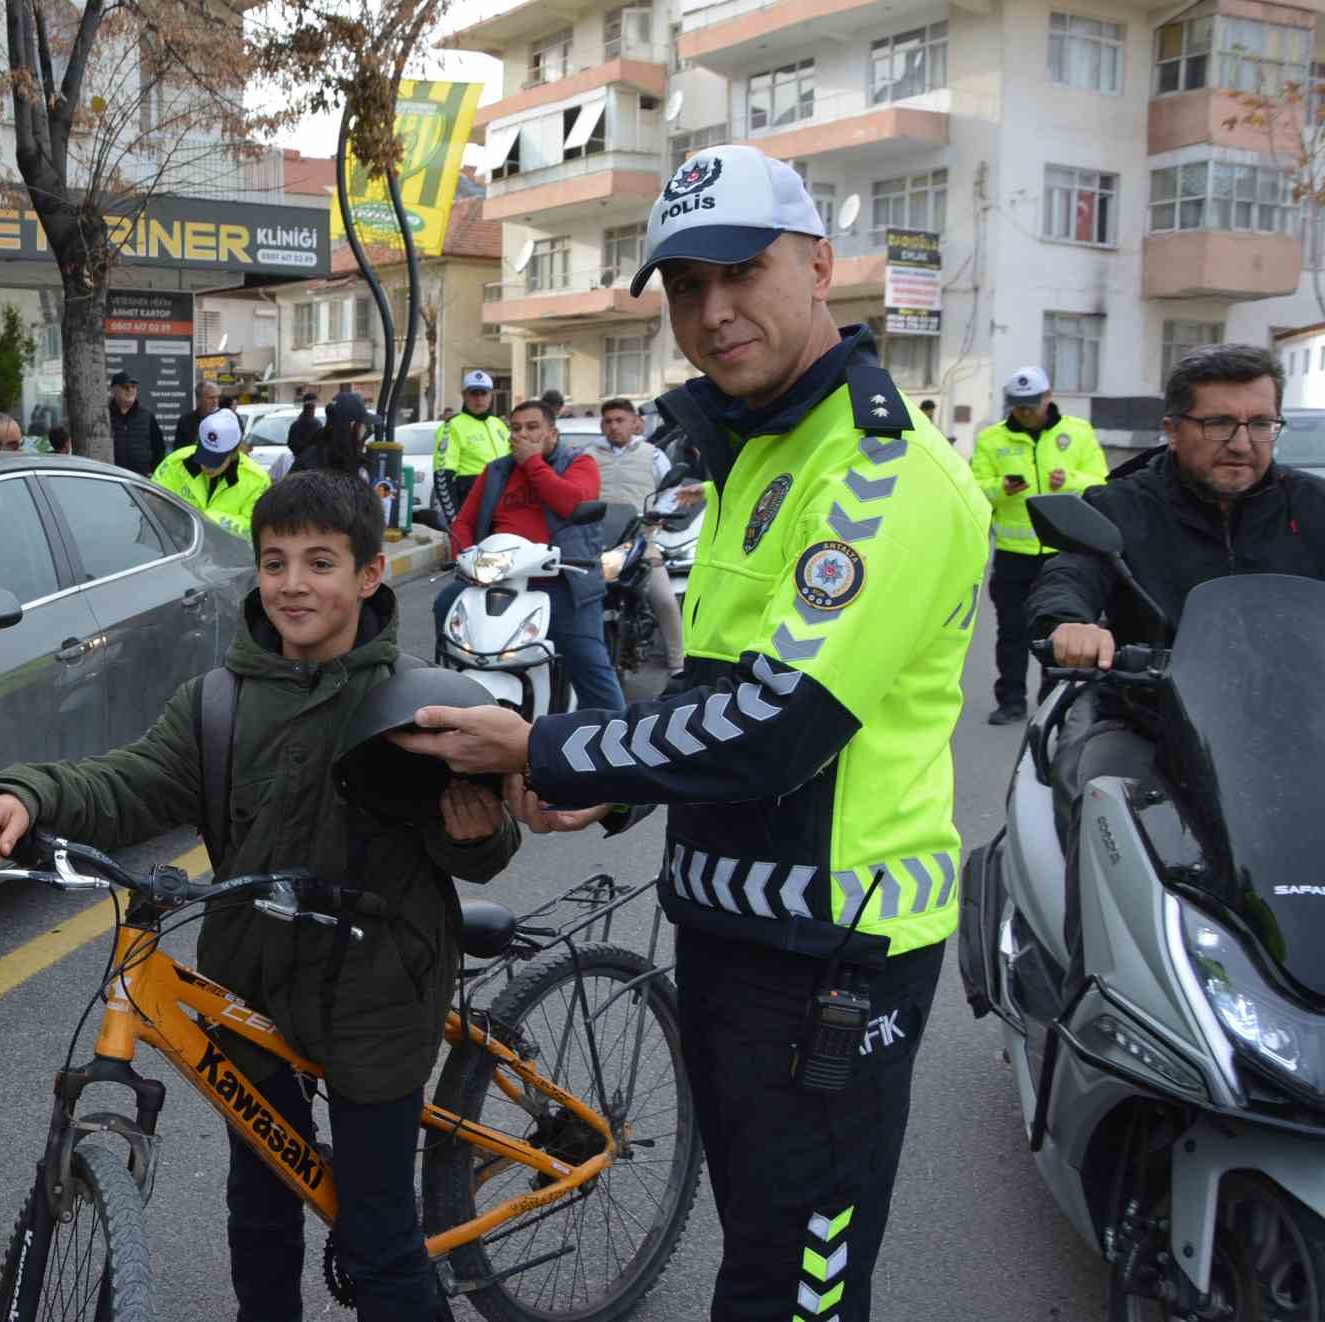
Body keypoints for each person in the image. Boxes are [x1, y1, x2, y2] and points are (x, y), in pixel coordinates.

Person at [395, 145, 990, 1322]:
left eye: (740, 272)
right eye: (683, 287)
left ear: (819, 266)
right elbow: (713, 692)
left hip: (835, 956)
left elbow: (779, 725)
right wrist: (614, 791)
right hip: (732, 933)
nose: (711, 313)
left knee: (794, 1291)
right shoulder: (757, 448)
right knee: (752, 1254)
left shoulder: (879, 471)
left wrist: (546, 749)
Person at [0, 469, 519, 1322]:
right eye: (274, 561)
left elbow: (483, 852)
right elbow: (132, 781)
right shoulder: (217, 702)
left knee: (378, 1240)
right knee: (258, 1214)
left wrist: (474, 831)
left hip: (381, 993)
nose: (294, 584)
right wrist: (26, 793)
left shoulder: (420, 704)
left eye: (321, 562)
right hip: (250, 984)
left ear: (372, 573)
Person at [1027, 343, 1325, 972]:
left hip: (1294, 720)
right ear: (1172, 428)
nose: (1242, 442)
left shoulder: (1311, 507)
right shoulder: (1124, 505)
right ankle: (1088, 985)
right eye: (1219, 423)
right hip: (1148, 714)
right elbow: (1071, 572)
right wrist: (1070, 623)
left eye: (1260, 423)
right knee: (1097, 790)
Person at [436, 399, 625, 712]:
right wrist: (466, 557)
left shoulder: (580, 464)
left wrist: (532, 463)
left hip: (563, 578)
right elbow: (464, 522)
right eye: (516, 428)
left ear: (552, 433)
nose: (522, 435)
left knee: (589, 662)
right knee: (447, 604)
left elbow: (571, 503)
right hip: (499, 578)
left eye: (532, 427)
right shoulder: (496, 471)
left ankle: (617, 738)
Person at [971, 366, 1107, 725]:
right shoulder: (991, 439)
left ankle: (1053, 702)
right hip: (1015, 557)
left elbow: (1103, 484)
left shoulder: (1078, 434)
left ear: (1049, 397)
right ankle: (1011, 701)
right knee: (1012, 632)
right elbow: (973, 489)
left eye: (1032, 404)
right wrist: (1001, 487)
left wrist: (1071, 481)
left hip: (1063, 555)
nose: (1025, 412)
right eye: (1018, 406)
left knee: (1057, 631)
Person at [589, 397, 687, 678]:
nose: (613, 426)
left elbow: (672, 490)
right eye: (608, 421)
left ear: (635, 423)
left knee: (665, 599)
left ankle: (678, 665)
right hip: (597, 542)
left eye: (620, 420)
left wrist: (658, 513)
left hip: (640, 540)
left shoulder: (653, 455)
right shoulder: (588, 455)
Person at [151, 408, 272, 539]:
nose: (207, 466)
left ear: (233, 453)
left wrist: (210, 520)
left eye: (216, 460)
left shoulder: (257, 480)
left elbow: (257, 529)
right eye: (204, 455)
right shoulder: (175, 463)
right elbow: (151, 501)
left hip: (230, 556)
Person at [431, 370, 510, 526]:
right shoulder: (452, 426)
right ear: (465, 396)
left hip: (504, 503)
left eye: (483, 393)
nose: (479, 398)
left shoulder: (499, 425)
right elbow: (442, 477)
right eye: (473, 393)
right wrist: (455, 520)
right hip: (472, 503)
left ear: (491, 395)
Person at [294, 391, 376, 480]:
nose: (368, 431)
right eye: (362, 424)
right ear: (350, 425)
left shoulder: (335, 453)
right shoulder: (318, 463)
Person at [108, 370, 166, 477]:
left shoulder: (147, 416)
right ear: (114, 390)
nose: (130, 390)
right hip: (112, 479)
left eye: (133, 386)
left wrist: (154, 472)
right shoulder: (104, 416)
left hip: (141, 481)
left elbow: (159, 448)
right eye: (126, 387)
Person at [175, 380, 222, 451]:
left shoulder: (226, 419)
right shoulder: (186, 421)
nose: (215, 401)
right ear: (199, 399)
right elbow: (178, 449)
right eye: (211, 398)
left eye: (217, 397)